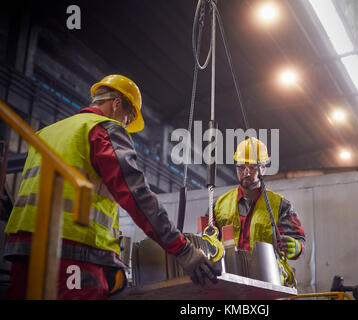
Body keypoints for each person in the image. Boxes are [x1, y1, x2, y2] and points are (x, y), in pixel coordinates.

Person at [3, 74, 220, 299]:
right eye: (128, 118)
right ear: (116, 104)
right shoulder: (103, 129)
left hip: (24, 252)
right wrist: (183, 249)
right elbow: (137, 196)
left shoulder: (45, 133)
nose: (125, 125)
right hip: (74, 253)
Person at [212, 137, 306, 260]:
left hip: (266, 274)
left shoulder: (280, 205)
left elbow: (298, 239)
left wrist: (298, 247)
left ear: (263, 168)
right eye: (241, 167)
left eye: (252, 168)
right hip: (230, 274)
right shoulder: (220, 204)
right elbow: (208, 238)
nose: (246, 173)